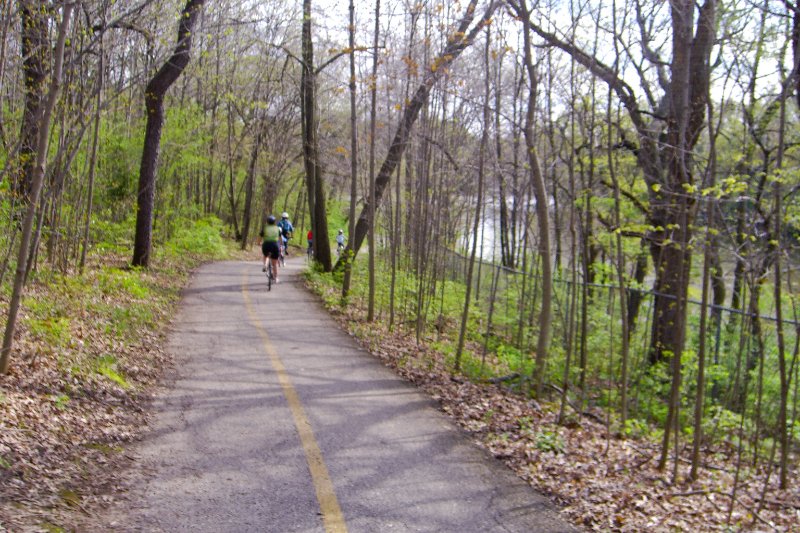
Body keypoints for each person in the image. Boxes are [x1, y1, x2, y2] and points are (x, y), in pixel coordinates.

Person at [261, 215, 281, 283]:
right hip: (275, 245)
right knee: (274, 264)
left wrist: (258, 243)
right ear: (274, 222)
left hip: (266, 245)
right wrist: (281, 245)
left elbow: (260, 237)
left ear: (267, 222)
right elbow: (280, 239)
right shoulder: (277, 228)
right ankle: (276, 278)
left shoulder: (265, 228)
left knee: (265, 255)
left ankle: (265, 265)